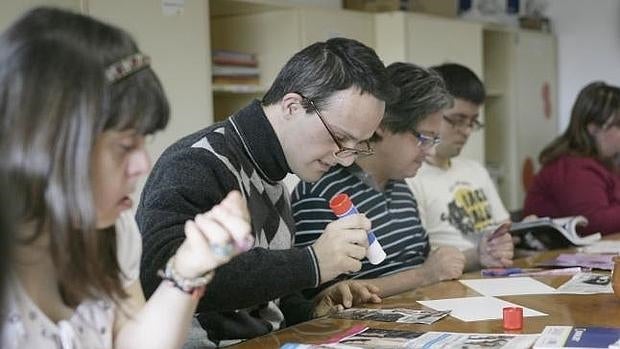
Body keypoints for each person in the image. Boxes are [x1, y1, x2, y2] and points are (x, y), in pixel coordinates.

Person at [0, 7, 252, 349]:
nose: (142, 164)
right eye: (124, 145)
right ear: (51, 141)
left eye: (143, 142)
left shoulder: (114, 232)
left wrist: (189, 268)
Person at [136, 37, 395, 346]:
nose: (347, 158)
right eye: (339, 137)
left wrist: (309, 307)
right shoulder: (199, 162)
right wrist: (310, 263)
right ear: (292, 106)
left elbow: (259, 305)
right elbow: (159, 276)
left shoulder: (275, 176)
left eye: (358, 146)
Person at [292, 62, 466, 298]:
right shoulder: (321, 192)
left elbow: (424, 262)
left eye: (434, 141)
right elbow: (328, 299)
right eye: (424, 138)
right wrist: (424, 275)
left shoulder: (401, 186)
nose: (430, 152)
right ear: (382, 125)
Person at [407, 63, 514, 271]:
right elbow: (423, 263)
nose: (465, 131)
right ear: (433, 114)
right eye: (457, 120)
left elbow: (506, 232)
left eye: (472, 122)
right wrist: (480, 256)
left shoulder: (475, 170)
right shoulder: (411, 177)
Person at [523, 81, 620, 235]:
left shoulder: (607, 162)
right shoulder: (573, 166)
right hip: (548, 256)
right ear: (593, 128)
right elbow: (593, 223)